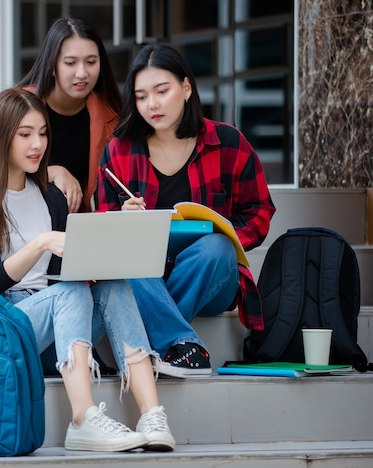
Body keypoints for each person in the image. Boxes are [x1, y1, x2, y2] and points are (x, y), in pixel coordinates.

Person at [0, 88, 175, 453]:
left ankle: (151, 413)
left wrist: (118, 226)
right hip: (6, 323)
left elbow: (70, 265)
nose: (37, 143)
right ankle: (83, 418)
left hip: (58, 328)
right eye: (25, 134)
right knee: (69, 292)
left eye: (42, 133)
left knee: (113, 285)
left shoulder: (50, 197)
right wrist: (40, 243)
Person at [96, 44, 275, 378]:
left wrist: (223, 231)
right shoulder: (119, 151)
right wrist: (122, 218)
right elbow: (106, 235)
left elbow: (260, 210)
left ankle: (155, 337)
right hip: (145, 279)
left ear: (186, 88)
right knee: (127, 256)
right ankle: (182, 346)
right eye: (141, 96)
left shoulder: (228, 143)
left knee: (216, 247)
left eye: (162, 91)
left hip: (210, 278)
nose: (152, 104)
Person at [17, 17, 121, 213]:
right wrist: (52, 172)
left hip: (84, 227)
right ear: (52, 65)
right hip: (21, 221)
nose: (82, 73)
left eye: (91, 62)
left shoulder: (112, 116)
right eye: (70, 63)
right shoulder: (18, 108)